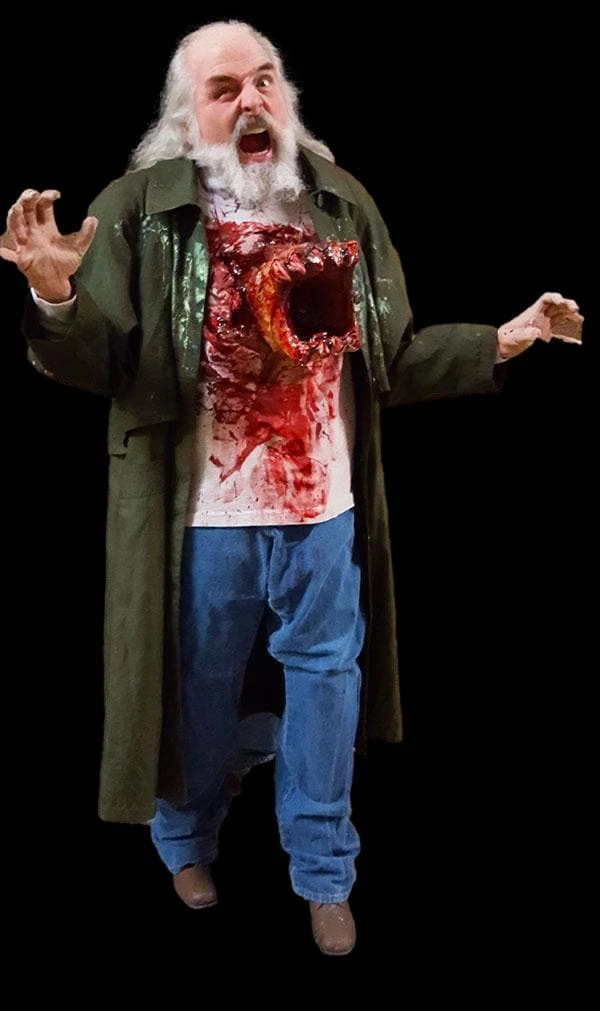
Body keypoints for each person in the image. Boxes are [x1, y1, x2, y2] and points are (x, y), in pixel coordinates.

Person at [0, 20, 583, 956]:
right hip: (204, 514)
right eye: (225, 88)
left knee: (327, 687)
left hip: (322, 510)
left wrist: (503, 339)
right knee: (195, 685)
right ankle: (185, 839)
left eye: (264, 80)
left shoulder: (339, 202)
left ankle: (323, 870)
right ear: (186, 115)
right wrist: (54, 293)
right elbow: (101, 361)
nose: (252, 101)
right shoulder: (139, 209)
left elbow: (389, 353)